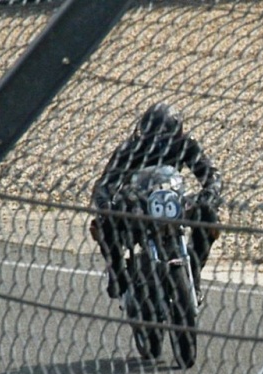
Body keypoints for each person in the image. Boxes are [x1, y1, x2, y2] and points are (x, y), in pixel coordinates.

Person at [90, 102, 222, 299]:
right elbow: (104, 184)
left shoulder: (186, 144)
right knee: (102, 224)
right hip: (137, 205)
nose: (156, 146)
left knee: (209, 216)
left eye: (163, 141)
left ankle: (193, 272)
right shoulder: (129, 148)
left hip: (172, 201)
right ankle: (117, 273)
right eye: (151, 139)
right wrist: (106, 204)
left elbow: (211, 174)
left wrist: (209, 193)